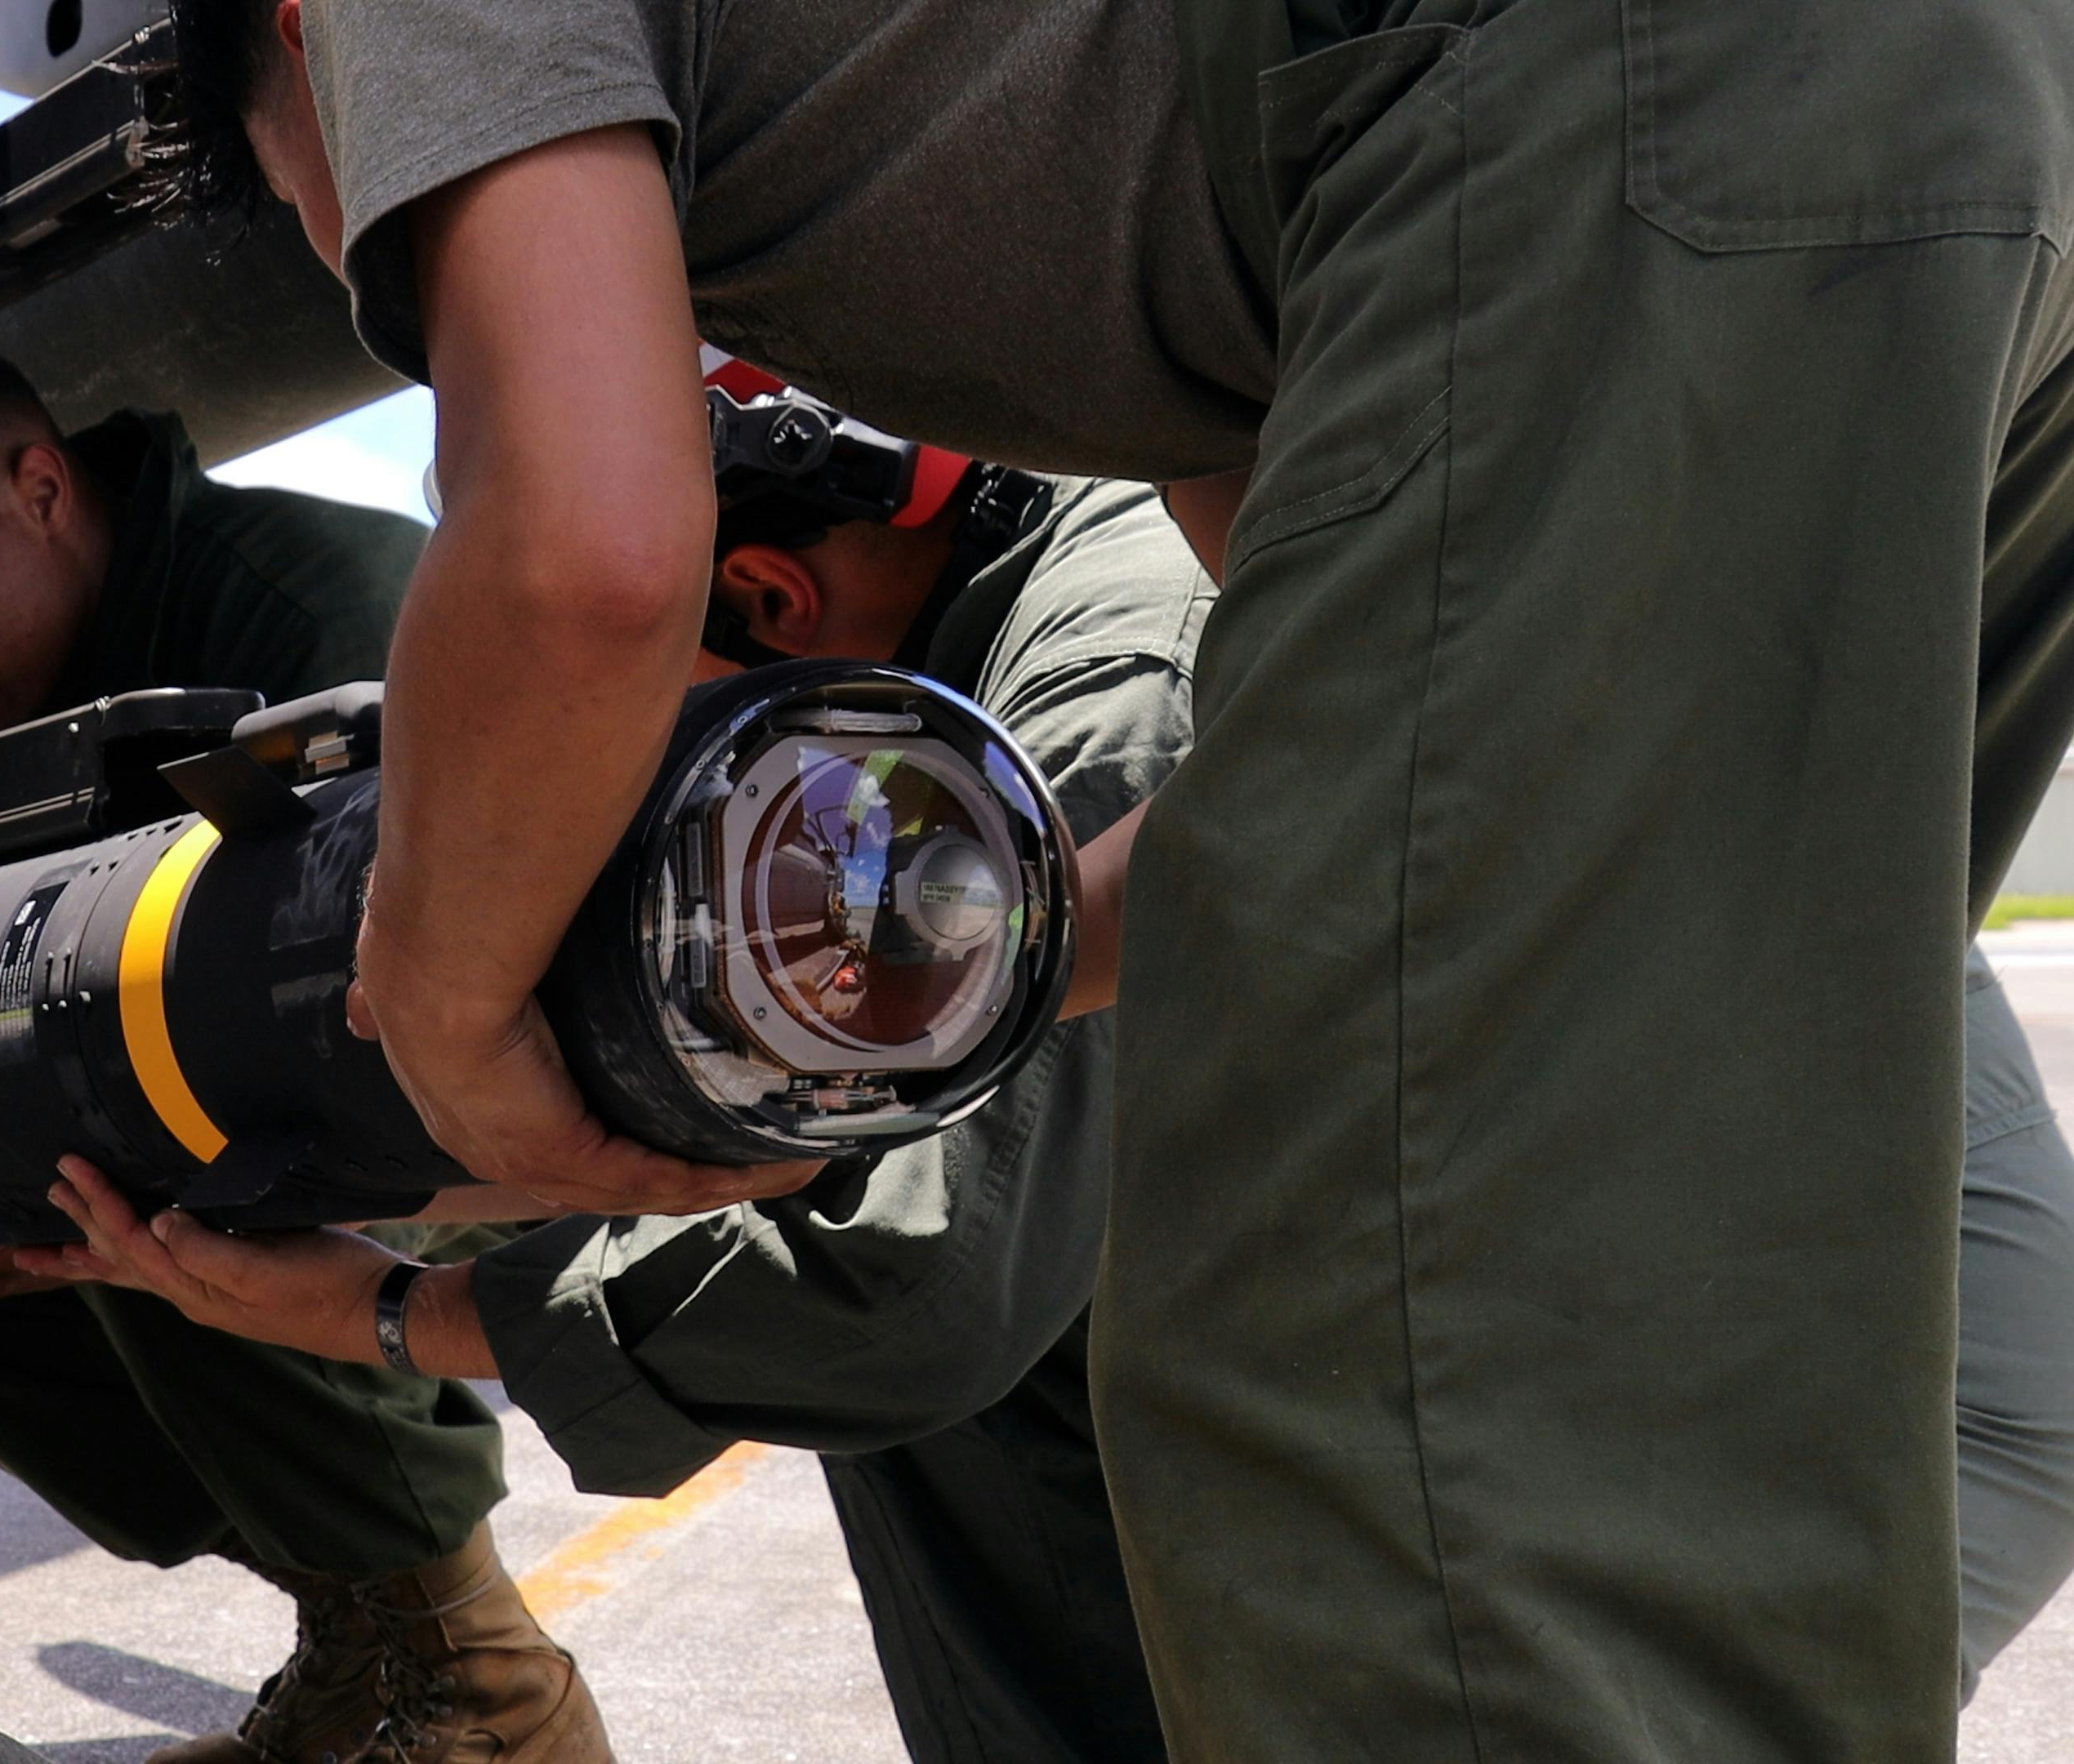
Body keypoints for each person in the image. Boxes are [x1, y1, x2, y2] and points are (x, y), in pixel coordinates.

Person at [118, 3, 2074, 1753]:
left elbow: (586, 555)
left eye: (359, 228)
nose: (402, 251)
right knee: (1629, 1324)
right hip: (1943, 127)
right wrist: (954, 993)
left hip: (1661, 117)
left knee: (1383, 1419)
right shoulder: (1087, 252)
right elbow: (1311, 803)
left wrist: (443, 1009)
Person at [0, 341, 612, 1764]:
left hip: (534, 1094)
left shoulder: (299, 607)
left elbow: (436, 985)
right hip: (339, 1104)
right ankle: (359, 1617)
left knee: (139, 1156)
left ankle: (484, 1681)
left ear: (42, 490)